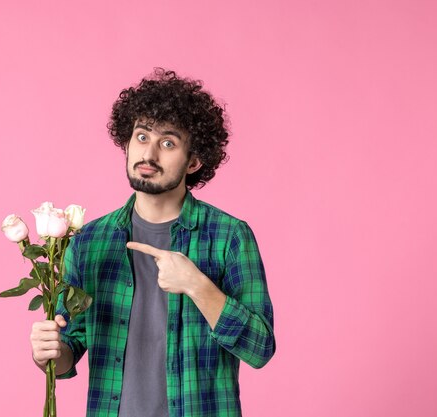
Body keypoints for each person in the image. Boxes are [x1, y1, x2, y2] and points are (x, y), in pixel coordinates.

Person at [30, 68, 275, 417]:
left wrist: (196, 285)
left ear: (193, 161)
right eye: (142, 137)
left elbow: (261, 348)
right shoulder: (88, 243)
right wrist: (50, 353)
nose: (150, 154)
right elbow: (72, 344)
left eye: (168, 143)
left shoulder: (229, 237)